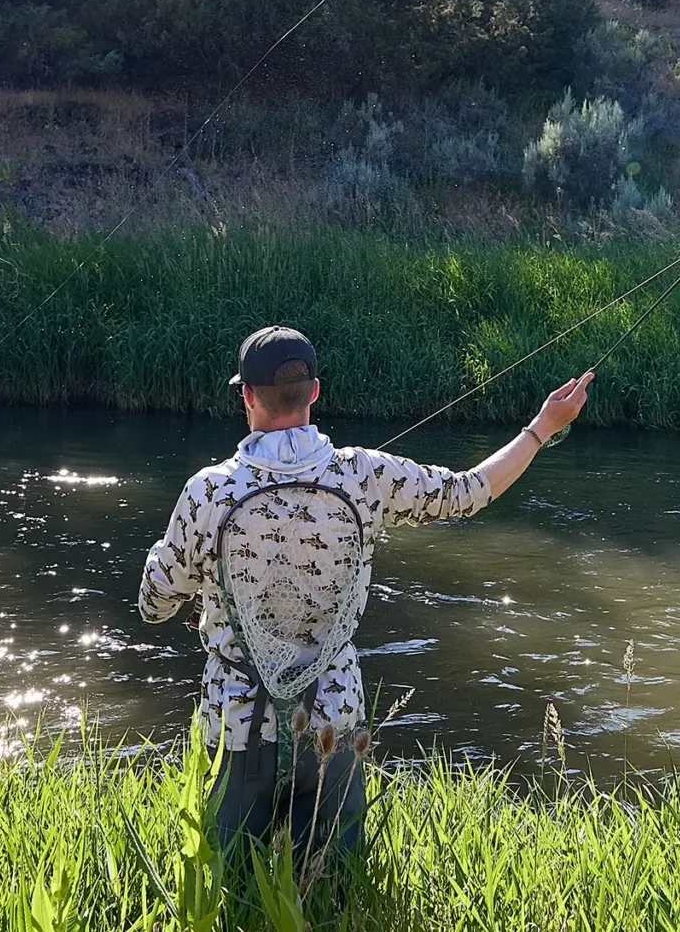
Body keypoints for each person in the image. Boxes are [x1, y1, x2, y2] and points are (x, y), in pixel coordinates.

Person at [137, 324, 593, 857]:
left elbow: (153, 604)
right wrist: (541, 427)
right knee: (331, 888)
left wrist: (183, 570)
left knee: (230, 888)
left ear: (246, 396)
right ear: (314, 392)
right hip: (334, 720)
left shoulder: (208, 490)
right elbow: (472, 490)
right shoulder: (365, 475)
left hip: (236, 725)